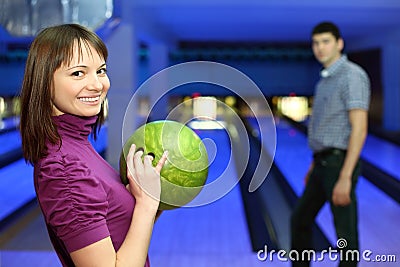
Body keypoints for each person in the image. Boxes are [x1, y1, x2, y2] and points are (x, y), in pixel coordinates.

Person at [19, 23, 168, 267]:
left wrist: (145, 199)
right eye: (78, 73)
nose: (97, 84)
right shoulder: (63, 169)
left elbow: (120, 235)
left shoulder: (77, 145)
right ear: (45, 83)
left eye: (100, 70)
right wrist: (146, 205)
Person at [290, 22, 370, 266]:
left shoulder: (352, 75)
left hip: (338, 164)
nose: (320, 47)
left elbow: (359, 127)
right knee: (299, 220)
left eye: (325, 41)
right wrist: (315, 165)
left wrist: (345, 176)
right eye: (315, 43)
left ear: (339, 43)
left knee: (345, 237)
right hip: (322, 164)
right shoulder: (324, 80)